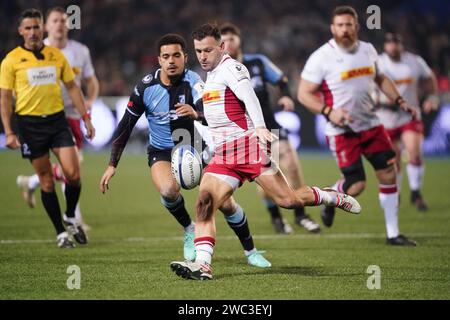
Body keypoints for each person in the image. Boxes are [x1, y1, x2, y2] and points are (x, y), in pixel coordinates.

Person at [170, 23, 361, 281]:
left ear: (222, 47)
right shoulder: (211, 74)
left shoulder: (232, 68)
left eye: (208, 50)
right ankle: (203, 265)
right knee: (204, 203)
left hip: (248, 147)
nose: (202, 56)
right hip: (224, 155)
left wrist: (259, 126)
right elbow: (221, 113)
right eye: (198, 51)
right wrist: (198, 115)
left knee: (288, 201)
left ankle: (329, 196)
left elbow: (250, 98)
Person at [99, 34, 271, 268]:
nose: (171, 61)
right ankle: (189, 228)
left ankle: (250, 251)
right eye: (166, 56)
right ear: (159, 60)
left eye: (177, 56)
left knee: (224, 203)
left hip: (195, 146)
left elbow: (207, 109)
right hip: (161, 150)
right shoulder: (145, 87)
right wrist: (112, 164)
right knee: (169, 190)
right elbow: (125, 125)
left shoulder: (195, 81)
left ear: (185, 57)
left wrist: (197, 112)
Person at [298, 6, 417, 246]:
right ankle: (331, 197)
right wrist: (329, 111)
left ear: (356, 27)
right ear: (332, 28)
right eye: (340, 25)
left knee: (388, 173)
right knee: (357, 185)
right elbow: (303, 94)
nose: (344, 29)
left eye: (348, 25)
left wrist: (400, 100)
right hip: (342, 131)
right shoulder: (321, 57)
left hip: (372, 125)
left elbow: (381, 78)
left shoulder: (368, 50)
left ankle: (393, 234)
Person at [0, 9, 95, 248]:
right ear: (20, 31)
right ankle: (60, 233)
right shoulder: (11, 60)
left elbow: (73, 87)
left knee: (73, 174)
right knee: (46, 181)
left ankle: (70, 215)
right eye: (28, 28)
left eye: (36, 27)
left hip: (57, 121)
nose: (32, 32)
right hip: (30, 125)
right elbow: (4, 98)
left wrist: (86, 117)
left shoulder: (56, 56)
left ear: (42, 29)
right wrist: (9, 132)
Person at [220, 22, 320, 234]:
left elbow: (281, 79)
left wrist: (285, 94)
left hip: (270, 125)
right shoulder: (219, 72)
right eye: (224, 39)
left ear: (239, 40)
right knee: (266, 177)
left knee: (292, 165)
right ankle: (277, 219)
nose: (228, 43)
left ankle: (301, 214)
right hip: (247, 132)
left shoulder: (257, 62)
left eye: (232, 38)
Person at [374, 32, 439, 211]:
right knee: (393, 160)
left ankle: (416, 192)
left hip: (409, 114)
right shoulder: (377, 62)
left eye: (396, 43)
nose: (393, 46)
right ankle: (397, 194)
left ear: (402, 44)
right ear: (385, 46)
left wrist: (432, 97)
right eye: (389, 43)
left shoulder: (414, 61)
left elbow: (429, 78)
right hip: (385, 117)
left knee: (414, 152)